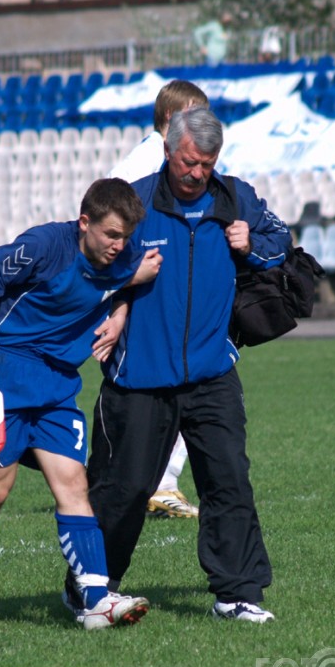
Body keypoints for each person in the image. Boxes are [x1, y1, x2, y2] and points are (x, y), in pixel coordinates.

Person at [74, 108, 292, 623]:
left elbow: (280, 240)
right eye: (189, 162)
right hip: (140, 376)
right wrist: (124, 296)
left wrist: (253, 243)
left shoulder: (236, 196)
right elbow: (91, 260)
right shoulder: (136, 201)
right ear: (169, 151)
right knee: (123, 490)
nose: (197, 173)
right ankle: (92, 589)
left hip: (213, 373)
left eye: (207, 164)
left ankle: (237, 592)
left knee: (228, 479)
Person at [0, 178, 162, 630]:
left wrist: (122, 309)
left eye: (125, 237)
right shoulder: (44, 246)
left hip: (59, 385)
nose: (118, 245)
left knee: (72, 483)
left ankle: (95, 601)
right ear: (84, 222)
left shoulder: (124, 253)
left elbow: (124, 278)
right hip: (7, 374)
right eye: (109, 234)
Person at [108, 78, 209, 519]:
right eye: (195, 114)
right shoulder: (151, 161)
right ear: (172, 117)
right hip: (152, 292)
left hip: (154, 289)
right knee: (176, 384)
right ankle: (158, 483)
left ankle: (142, 479)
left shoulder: (155, 156)